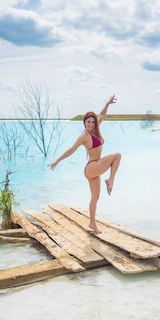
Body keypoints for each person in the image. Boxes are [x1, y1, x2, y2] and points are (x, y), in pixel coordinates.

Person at [48, 94, 122, 234]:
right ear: (84, 123)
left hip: (94, 169)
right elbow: (71, 150)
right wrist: (57, 160)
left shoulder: (96, 130)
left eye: (92, 122)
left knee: (95, 197)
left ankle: (92, 224)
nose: (91, 124)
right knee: (117, 156)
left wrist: (107, 103)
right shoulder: (84, 136)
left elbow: (102, 115)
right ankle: (110, 180)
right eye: (88, 122)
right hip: (92, 167)